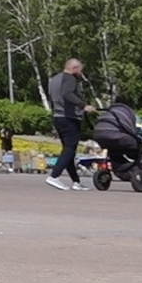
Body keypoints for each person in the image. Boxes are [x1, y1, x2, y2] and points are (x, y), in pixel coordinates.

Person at [46, 58, 92, 190]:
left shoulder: (54, 79)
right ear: (75, 68)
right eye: (80, 70)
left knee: (68, 150)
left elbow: (53, 97)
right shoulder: (70, 79)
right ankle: (54, 176)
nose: (80, 74)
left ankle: (76, 181)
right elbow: (67, 94)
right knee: (70, 148)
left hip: (58, 117)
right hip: (69, 118)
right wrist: (83, 106)